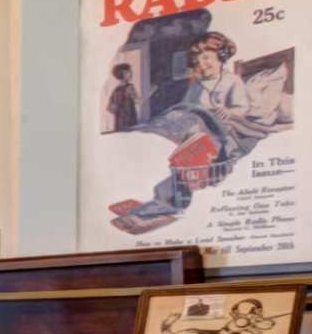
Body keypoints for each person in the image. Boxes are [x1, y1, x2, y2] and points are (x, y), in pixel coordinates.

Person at [114, 29, 291, 234]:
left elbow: (242, 108)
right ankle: (152, 139)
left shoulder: (232, 80)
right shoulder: (197, 84)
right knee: (176, 119)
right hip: (195, 125)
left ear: (220, 57)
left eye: (206, 58)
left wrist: (228, 111)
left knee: (198, 147)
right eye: (197, 61)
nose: (201, 64)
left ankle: (172, 192)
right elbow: (187, 107)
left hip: (224, 127)